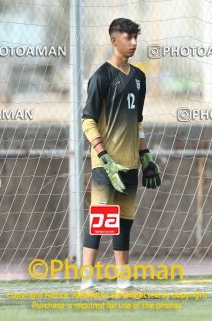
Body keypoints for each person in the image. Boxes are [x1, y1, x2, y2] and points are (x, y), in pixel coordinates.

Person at [80, 18, 161, 294]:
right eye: (128, 38)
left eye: (136, 37)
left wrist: (146, 156)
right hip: (105, 165)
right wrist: (104, 157)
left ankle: (123, 283)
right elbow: (87, 121)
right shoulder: (101, 76)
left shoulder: (139, 78)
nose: (134, 43)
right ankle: (87, 283)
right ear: (114, 41)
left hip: (130, 164)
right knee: (101, 219)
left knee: (124, 223)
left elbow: (137, 122)